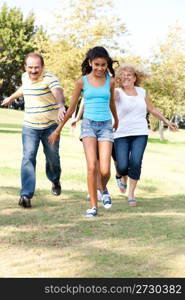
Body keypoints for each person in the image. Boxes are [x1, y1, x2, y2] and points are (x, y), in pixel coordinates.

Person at [48, 46, 119, 217]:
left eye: (103, 65)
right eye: (97, 64)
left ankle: (103, 188)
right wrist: (58, 129)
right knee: (91, 166)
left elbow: (111, 103)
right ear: (90, 63)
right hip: (88, 125)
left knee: (105, 170)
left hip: (105, 126)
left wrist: (116, 119)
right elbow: (71, 108)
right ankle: (93, 207)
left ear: (107, 64)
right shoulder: (82, 82)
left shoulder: (111, 81)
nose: (100, 68)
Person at [1, 52, 65, 208]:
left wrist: (61, 105)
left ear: (42, 67)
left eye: (37, 67)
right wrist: (11, 98)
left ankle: (55, 180)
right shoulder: (24, 77)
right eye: (30, 67)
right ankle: (26, 194)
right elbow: (24, 88)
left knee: (52, 159)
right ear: (25, 67)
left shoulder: (50, 78)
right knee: (28, 157)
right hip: (30, 126)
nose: (33, 71)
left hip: (50, 126)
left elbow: (57, 91)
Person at [113, 63, 178, 207]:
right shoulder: (117, 92)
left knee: (136, 162)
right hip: (121, 133)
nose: (126, 77)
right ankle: (120, 176)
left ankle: (131, 194)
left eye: (129, 74)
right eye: (123, 75)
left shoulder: (142, 92)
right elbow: (110, 98)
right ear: (119, 78)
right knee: (122, 165)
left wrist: (167, 121)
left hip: (140, 132)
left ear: (135, 78)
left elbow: (152, 109)